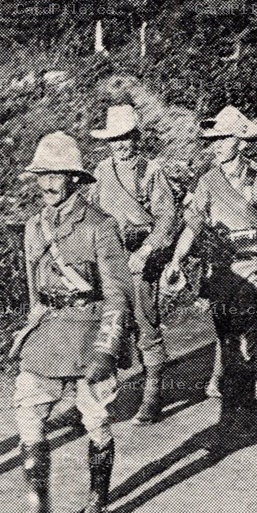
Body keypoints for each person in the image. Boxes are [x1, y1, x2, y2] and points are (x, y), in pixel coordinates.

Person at [0, 132, 132, 513]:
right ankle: (37, 507)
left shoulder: (100, 226)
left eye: (57, 174)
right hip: (48, 335)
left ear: (75, 179)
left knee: (96, 421)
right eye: (42, 174)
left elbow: (118, 296)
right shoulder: (35, 227)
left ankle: (97, 506)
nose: (48, 183)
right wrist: (26, 334)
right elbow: (33, 291)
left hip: (88, 333)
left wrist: (107, 349)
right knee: (27, 415)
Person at [164, 107, 257, 448]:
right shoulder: (207, 181)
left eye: (222, 139)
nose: (214, 145)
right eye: (211, 139)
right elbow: (193, 224)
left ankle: (238, 422)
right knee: (229, 347)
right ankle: (238, 419)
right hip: (222, 276)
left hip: (254, 274)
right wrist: (176, 258)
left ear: (240, 142)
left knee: (242, 348)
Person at [88, 104, 179, 425]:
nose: (121, 145)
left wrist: (146, 251)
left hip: (141, 257)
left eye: (126, 138)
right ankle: (95, 398)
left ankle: (153, 392)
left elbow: (167, 218)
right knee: (104, 324)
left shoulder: (150, 171)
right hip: (109, 258)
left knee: (144, 323)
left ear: (136, 137)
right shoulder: (100, 172)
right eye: (115, 139)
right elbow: (93, 212)